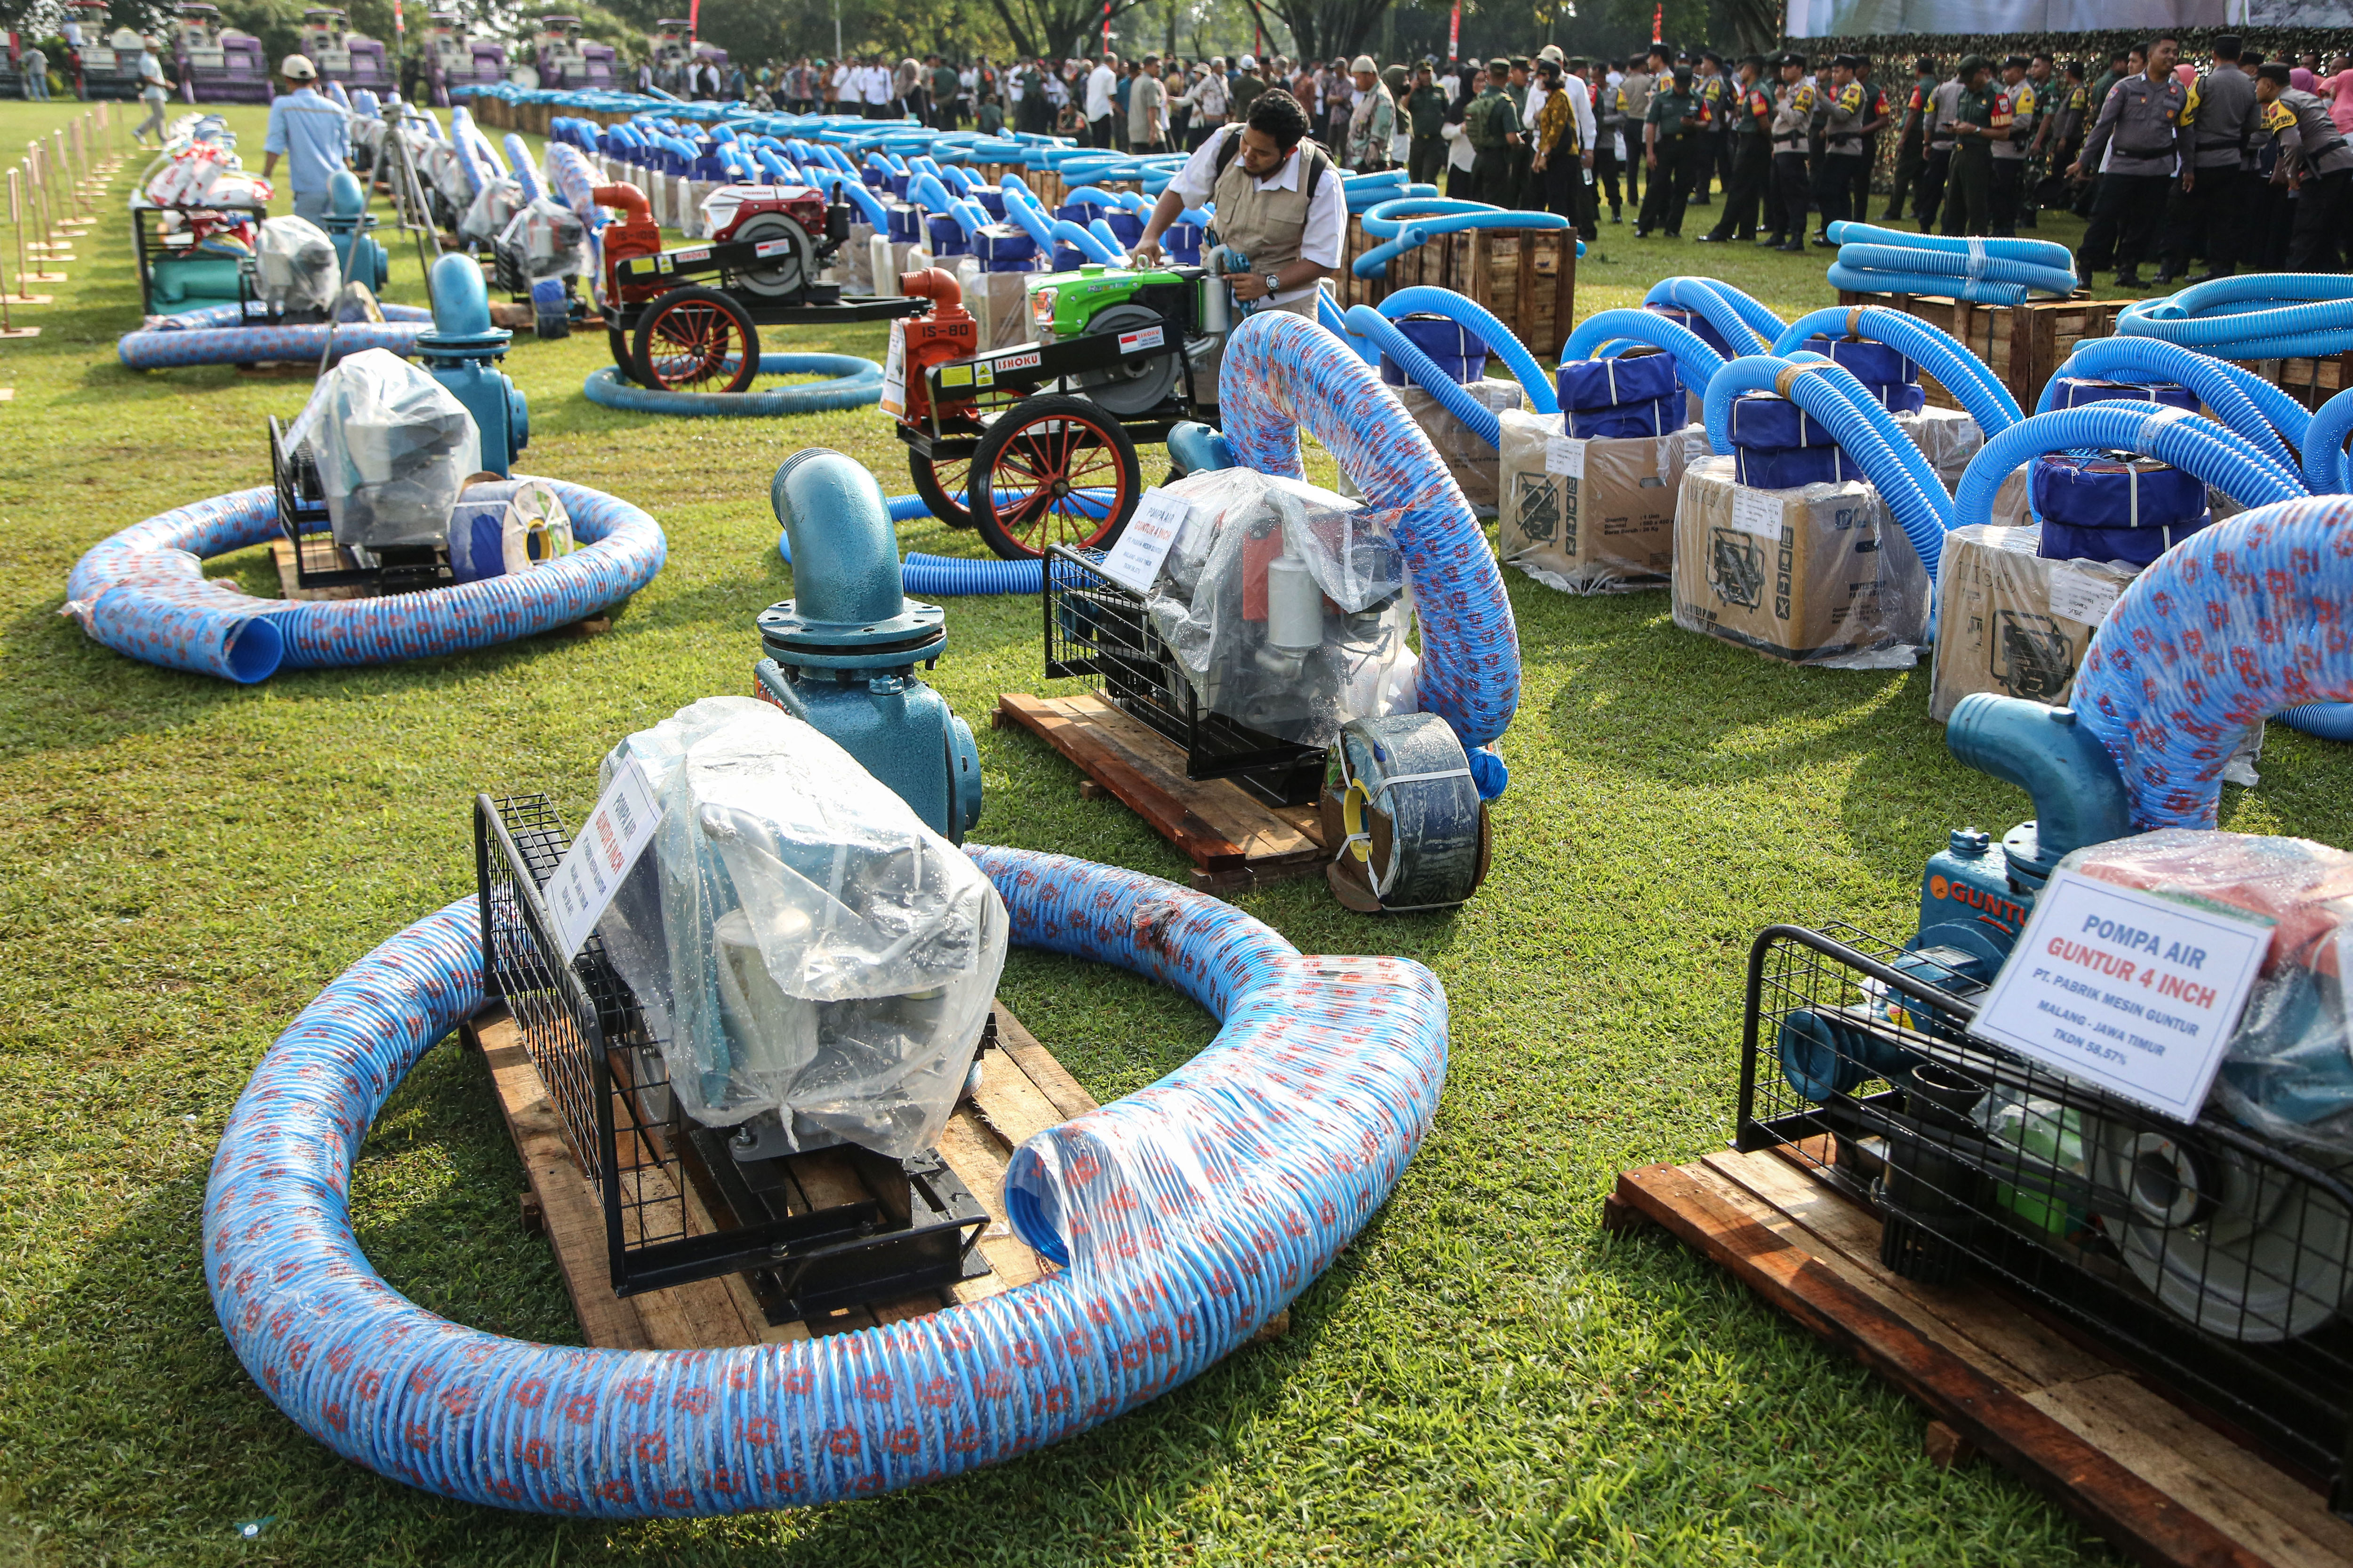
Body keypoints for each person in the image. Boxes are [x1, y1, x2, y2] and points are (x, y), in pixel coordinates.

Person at [1132, 88, 1342, 320]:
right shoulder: (1225, 143)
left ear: (1289, 152)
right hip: (1219, 299)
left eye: (1262, 152)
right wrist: (1150, 236)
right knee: (1214, 357)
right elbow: (1180, 191)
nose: (1248, 155)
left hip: (1286, 309)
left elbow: (1323, 261)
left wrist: (1270, 283)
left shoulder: (1320, 177)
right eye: (1246, 142)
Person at [2074, 37, 2187, 287]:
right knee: (2104, 217)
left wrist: (2188, 169)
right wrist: (2083, 160)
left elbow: (2185, 133)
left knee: (2144, 223)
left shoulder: (2178, 92)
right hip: (2123, 166)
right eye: (2165, 51)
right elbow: (2102, 126)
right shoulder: (2125, 88)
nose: (2171, 57)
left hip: (2158, 168)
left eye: (2175, 53)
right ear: (2150, 55)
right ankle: (2086, 269)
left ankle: (2128, 270)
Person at [2158, 35, 2256, 283]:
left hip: (2201, 160)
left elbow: (2187, 121)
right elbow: (2254, 124)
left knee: (2180, 214)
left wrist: (2188, 166)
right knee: (2223, 219)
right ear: (2240, 57)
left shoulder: (2205, 83)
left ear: (2214, 55)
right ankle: (2221, 270)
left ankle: (2170, 268)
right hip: (2231, 160)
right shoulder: (2250, 85)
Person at [2255, 61, 2353, 270]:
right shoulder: (2305, 97)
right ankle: (2336, 285)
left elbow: (2292, 142)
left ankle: (2294, 289)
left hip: (2323, 170)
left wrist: (2291, 174)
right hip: (2343, 164)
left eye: (2258, 84)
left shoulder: (2279, 104)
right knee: (2327, 232)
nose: (2256, 89)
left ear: (2269, 85)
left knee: (2306, 231)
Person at [259, 55, 349, 220]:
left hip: (309, 186)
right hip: (340, 184)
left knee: (310, 239)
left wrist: (265, 178)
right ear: (315, 79)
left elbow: (275, 145)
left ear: (287, 79)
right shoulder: (336, 109)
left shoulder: (283, 106)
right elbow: (346, 151)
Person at [1699, 53, 1772, 243]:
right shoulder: (1751, 89)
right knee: (1750, 189)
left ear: (1750, 70)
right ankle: (1747, 230)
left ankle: (1722, 231)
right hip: (1754, 142)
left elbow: (1763, 123)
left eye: (1743, 68)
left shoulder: (1757, 92)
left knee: (1738, 186)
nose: (1740, 72)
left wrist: (1771, 141)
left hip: (1753, 142)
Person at [1638, 61, 1704, 238]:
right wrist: (1650, 152)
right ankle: (1645, 226)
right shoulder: (1662, 98)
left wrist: (1694, 124)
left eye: (1685, 85)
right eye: (1679, 84)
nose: (1682, 89)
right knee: (1657, 185)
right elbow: (1651, 125)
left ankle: (1673, 228)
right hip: (1667, 144)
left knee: (1683, 187)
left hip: (1688, 145)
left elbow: (1707, 121)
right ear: (1675, 81)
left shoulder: (1697, 98)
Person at [1937, 54, 1998, 236]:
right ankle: (1949, 249)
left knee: (1976, 207)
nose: (1967, 84)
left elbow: (2004, 133)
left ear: (1983, 73)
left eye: (1970, 79)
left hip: (1978, 155)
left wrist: (1975, 130)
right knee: (1952, 205)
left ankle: (1976, 250)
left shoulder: (1997, 96)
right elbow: (1962, 117)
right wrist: (1956, 125)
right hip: (1959, 152)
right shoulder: (1965, 93)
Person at [1812, 54, 1867, 242]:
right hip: (1837, 147)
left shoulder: (1854, 90)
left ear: (1850, 71)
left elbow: (1842, 115)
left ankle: (1834, 232)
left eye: (1837, 71)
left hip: (1846, 149)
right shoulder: (1843, 90)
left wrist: (1822, 98)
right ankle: (1843, 234)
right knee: (1840, 193)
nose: (1834, 75)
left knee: (1827, 190)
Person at [1765, 51, 1813, 250]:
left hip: (1793, 148)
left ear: (1800, 69)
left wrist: (1783, 100)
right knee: (1777, 192)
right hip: (1781, 147)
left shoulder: (1806, 90)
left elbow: (1795, 119)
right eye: (1782, 67)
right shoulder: (1790, 89)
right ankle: (1779, 232)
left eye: (1789, 66)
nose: (1784, 70)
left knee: (1794, 194)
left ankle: (1797, 236)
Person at [1988, 55, 2039, 237]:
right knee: (1997, 191)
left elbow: (2025, 121)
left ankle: (2005, 229)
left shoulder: (2025, 92)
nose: (2004, 73)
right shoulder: (2009, 90)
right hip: (2000, 148)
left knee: (2006, 191)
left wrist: (2000, 126)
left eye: (2008, 70)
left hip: (2010, 151)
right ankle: (1999, 227)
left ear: (2018, 72)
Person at [1880, 56, 1935, 220]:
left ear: (1918, 70)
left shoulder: (1920, 88)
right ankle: (1919, 208)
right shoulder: (1937, 86)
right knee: (1920, 174)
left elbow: (1913, 111)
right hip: (1928, 134)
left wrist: (1903, 137)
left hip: (1915, 134)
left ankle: (1894, 210)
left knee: (1902, 174)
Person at [1465, 58, 1521, 207]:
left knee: (1477, 205)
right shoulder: (1506, 104)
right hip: (1498, 160)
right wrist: (1520, 143)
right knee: (1495, 206)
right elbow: (1511, 138)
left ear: (1488, 77)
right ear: (1509, 78)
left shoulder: (1478, 99)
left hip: (1478, 158)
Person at [1616, 51, 1654, 212]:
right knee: (1650, 160)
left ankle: (1632, 197)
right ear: (1642, 66)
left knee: (1632, 162)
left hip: (1629, 123)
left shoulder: (1624, 84)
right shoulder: (1649, 82)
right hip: (1643, 122)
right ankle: (1650, 194)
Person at [1343, 54, 1393, 172]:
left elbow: (1378, 139)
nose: (1356, 83)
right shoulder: (1370, 96)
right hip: (1358, 163)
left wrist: (1366, 166)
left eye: (1358, 78)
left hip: (1370, 167)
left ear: (1370, 75)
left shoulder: (1382, 100)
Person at [1405, 61, 1449, 186]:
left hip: (1435, 141)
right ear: (1417, 75)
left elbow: (1448, 113)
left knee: (1430, 177)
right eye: (1423, 73)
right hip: (1417, 141)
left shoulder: (1440, 91)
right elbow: (1403, 108)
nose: (1426, 76)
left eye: (1428, 72)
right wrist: (1411, 90)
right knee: (1415, 179)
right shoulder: (1411, 92)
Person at [132, 35, 172, 144]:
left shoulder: (152, 58)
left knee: (159, 115)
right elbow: (148, 78)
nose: (157, 49)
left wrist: (165, 83)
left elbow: (156, 76)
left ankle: (140, 131)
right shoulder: (147, 60)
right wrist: (164, 86)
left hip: (157, 91)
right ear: (148, 47)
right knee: (159, 115)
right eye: (155, 47)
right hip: (152, 91)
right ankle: (163, 139)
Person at [1129, 54, 1167, 155]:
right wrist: (1153, 131)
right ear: (1148, 66)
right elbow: (1152, 108)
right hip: (1149, 134)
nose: (1160, 69)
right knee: (1161, 166)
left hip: (1136, 133)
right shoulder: (1152, 84)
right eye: (1157, 66)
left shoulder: (1137, 81)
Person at [1085, 51, 1118, 148]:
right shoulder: (1110, 74)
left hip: (1092, 109)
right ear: (1113, 62)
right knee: (1105, 140)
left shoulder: (1095, 72)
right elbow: (1111, 95)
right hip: (1103, 110)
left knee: (1096, 140)